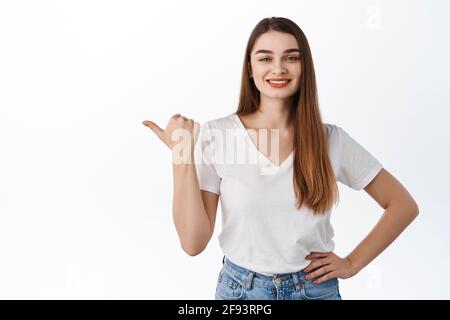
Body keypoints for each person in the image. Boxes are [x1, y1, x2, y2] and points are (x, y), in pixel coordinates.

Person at [142, 16, 419, 300]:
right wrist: (181, 156)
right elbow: (193, 242)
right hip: (242, 293)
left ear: (304, 67)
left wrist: (351, 263)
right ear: (250, 69)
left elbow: (403, 205)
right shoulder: (218, 135)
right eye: (265, 58)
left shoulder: (331, 140)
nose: (278, 68)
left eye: (291, 58)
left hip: (315, 290)